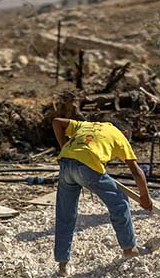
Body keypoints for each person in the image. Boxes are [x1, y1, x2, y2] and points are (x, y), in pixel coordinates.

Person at [52, 117, 152, 277]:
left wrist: (64, 146)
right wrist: (145, 197)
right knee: (119, 202)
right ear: (125, 133)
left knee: (65, 214)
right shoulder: (120, 136)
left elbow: (57, 121)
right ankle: (130, 249)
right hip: (87, 167)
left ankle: (63, 265)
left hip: (65, 164)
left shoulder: (87, 125)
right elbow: (136, 171)